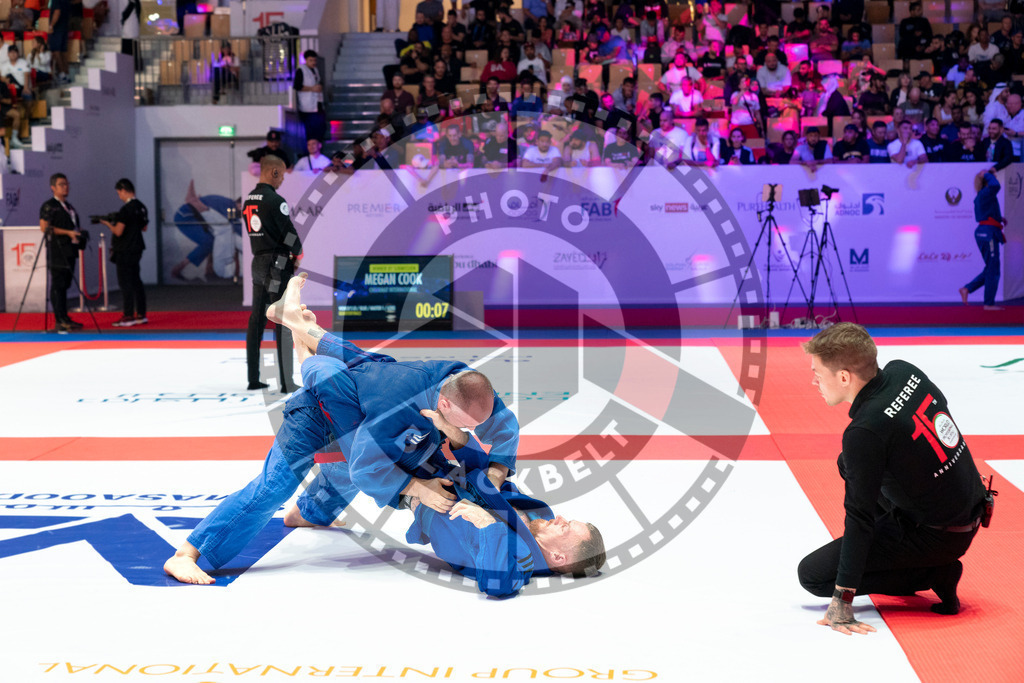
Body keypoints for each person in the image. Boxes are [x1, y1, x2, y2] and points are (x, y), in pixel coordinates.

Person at [164, 274, 521, 585]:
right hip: (318, 412)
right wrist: (417, 489)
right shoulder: (395, 405)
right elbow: (365, 467)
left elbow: (501, 425)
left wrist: (496, 471)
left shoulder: (465, 386)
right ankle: (189, 552)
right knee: (276, 485)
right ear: (442, 405)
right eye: (467, 427)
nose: (473, 433)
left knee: (362, 441)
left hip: (364, 388)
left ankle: (307, 514)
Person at [798, 323, 989, 632]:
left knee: (812, 575)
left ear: (844, 377)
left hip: (940, 534)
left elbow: (858, 517)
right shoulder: (904, 371)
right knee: (848, 463)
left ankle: (933, 572)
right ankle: (922, 558)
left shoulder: (865, 430)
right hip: (970, 506)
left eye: (818, 375)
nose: (815, 382)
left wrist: (843, 599)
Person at [243, 156, 301, 392]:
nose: (283, 179)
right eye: (283, 174)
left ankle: (253, 378)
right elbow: (289, 233)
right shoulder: (275, 200)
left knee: (257, 320)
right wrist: (296, 253)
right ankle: (287, 382)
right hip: (276, 262)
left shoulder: (249, 200)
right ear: (274, 172)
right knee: (283, 320)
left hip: (257, 261)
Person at [98, 179, 148, 327]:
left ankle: (128, 315)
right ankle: (141, 314)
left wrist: (108, 224)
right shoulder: (141, 207)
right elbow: (144, 228)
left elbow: (118, 231)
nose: (119, 195)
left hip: (125, 249)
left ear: (124, 190)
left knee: (125, 282)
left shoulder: (125, 210)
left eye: (119, 192)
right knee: (136, 281)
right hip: (137, 247)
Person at [38, 172, 83, 333]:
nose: (65, 187)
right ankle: (59, 319)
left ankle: (65, 317)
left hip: (70, 250)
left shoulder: (69, 207)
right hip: (57, 250)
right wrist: (67, 233)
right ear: (53, 188)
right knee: (58, 284)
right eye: (61, 184)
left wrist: (78, 234)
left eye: (66, 184)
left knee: (66, 284)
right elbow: (45, 228)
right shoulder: (49, 206)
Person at [959, 171, 1006, 310]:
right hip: (988, 234)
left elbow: (985, 213)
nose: (995, 178)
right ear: (987, 180)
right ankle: (988, 303)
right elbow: (996, 185)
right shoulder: (986, 192)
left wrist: (999, 218)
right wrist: (986, 174)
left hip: (987, 231)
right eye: (992, 177)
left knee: (992, 267)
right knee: (993, 268)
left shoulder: (984, 195)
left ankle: (967, 289)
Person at [295, 50, 325, 142]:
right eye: (311, 60)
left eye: (314, 60)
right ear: (306, 60)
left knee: (321, 128)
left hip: (317, 104)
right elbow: (297, 86)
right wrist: (312, 88)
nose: (313, 63)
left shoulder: (315, 70)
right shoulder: (301, 70)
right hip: (307, 107)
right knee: (311, 132)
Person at [47, 0, 72, 83]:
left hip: (57, 28)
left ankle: (62, 74)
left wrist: (51, 26)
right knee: (63, 52)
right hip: (65, 27)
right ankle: (66, 74)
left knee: (56, 51)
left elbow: (57, 12)